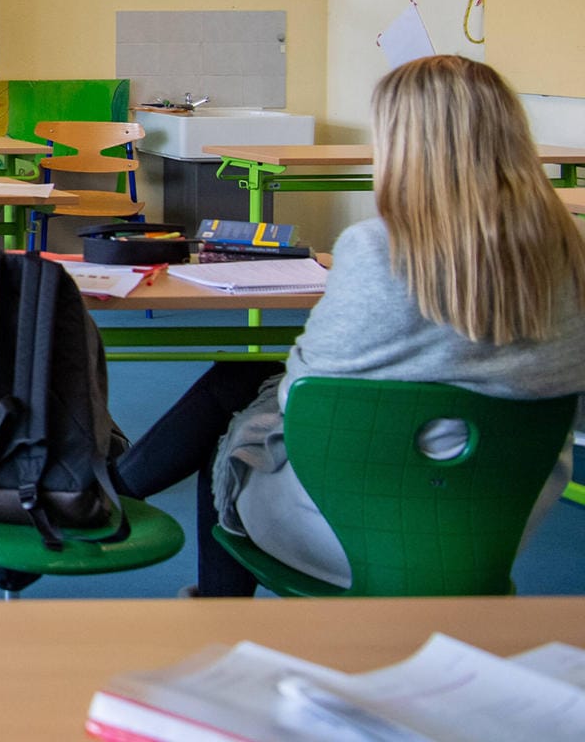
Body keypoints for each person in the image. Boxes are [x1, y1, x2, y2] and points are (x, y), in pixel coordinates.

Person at [115, 55, 585, 596]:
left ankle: (176, 568)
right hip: (490, 527)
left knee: (235, 423)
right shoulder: (569, 250)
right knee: (241, 383)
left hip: (351, 527)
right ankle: (108, 494)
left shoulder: (377, 248)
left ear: (404, 144)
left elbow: (302, 396)